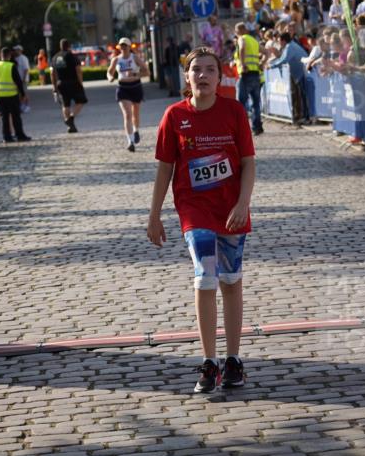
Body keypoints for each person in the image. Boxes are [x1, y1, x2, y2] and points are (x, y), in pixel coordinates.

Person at [147, 46, 256, 394]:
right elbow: (165, 167)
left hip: (231, 208)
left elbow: (249, 162)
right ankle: (210, 362)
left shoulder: (234, 111)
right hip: (194, 210)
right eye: (197, 70)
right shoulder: (174, 116)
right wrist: (154, 214)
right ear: (187, 76)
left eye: (210, 70)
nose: (204, 75)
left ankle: (234, 359)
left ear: (220, 77)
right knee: (205, 276)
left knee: (231, 279)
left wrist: (243, 203)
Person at [106, 38, 149, 152]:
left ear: (130, 47)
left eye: (125, 45)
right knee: (127, 115)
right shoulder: (116, 59)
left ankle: (136, 130)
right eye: (121, 46)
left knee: (135, 114)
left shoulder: (135, 58)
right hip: (122, 88)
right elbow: (109, 72)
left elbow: (147, 71)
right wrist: (110, 77)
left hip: (135, 87)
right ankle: (130, 141)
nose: (123, 48)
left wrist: (136, 74)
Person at [0, 46, 31, 144]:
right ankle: (20, 135)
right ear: (9, 55)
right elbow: (18, 82)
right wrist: (23, 94)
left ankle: (6, 137)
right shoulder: (11, 66)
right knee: (16, 117)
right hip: (11, 95)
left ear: (0, 55)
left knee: (4, 117)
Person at [51, 39, 88, 132]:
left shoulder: (55, 57)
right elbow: (78, 70)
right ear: (69, 46)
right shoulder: (71, 56)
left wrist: (54, 86)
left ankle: (70, 127)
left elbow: (52, 73)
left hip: (61, 83)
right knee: (81, 101)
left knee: (65, 104)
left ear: (60, 46)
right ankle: (71, 118)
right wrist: (81, 82)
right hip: (73, 82)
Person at [234, 21, 263, 136]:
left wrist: (242, 64)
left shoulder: (242, 39)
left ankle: (242, 128)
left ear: (238, 31)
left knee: (241, 102)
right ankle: (257, 127)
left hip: (246, 74)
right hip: (256, 74)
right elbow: (266, 51)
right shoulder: (254, 41)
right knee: (256, 102)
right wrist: (262, 63)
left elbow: (241, 49)